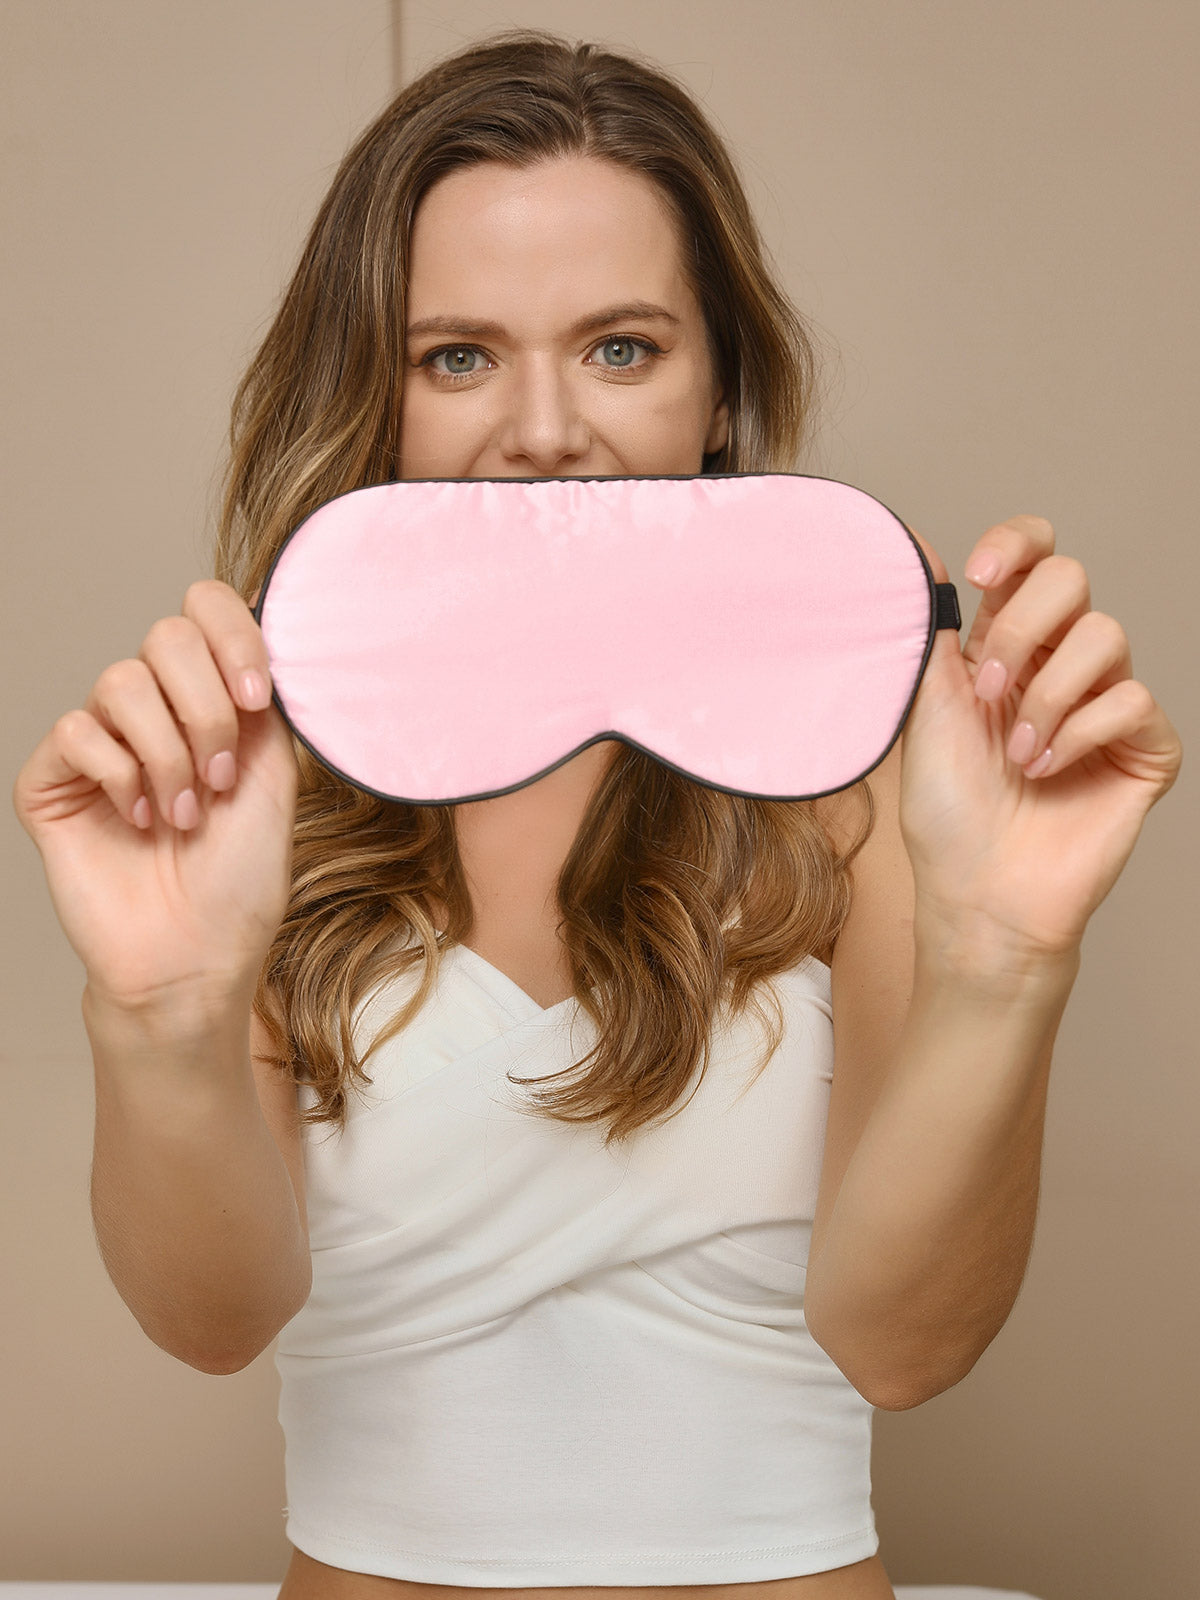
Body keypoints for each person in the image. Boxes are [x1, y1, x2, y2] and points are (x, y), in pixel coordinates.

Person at [11, 27, 1182, 1600]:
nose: (547, 430)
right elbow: (210, 1322)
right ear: (375, 398)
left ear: (720, 391)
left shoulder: (866, 768)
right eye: (457, 357)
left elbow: (903, 1347)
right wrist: (160, 1011)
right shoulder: (257, 778)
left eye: (622, 349)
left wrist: (1007, 960)